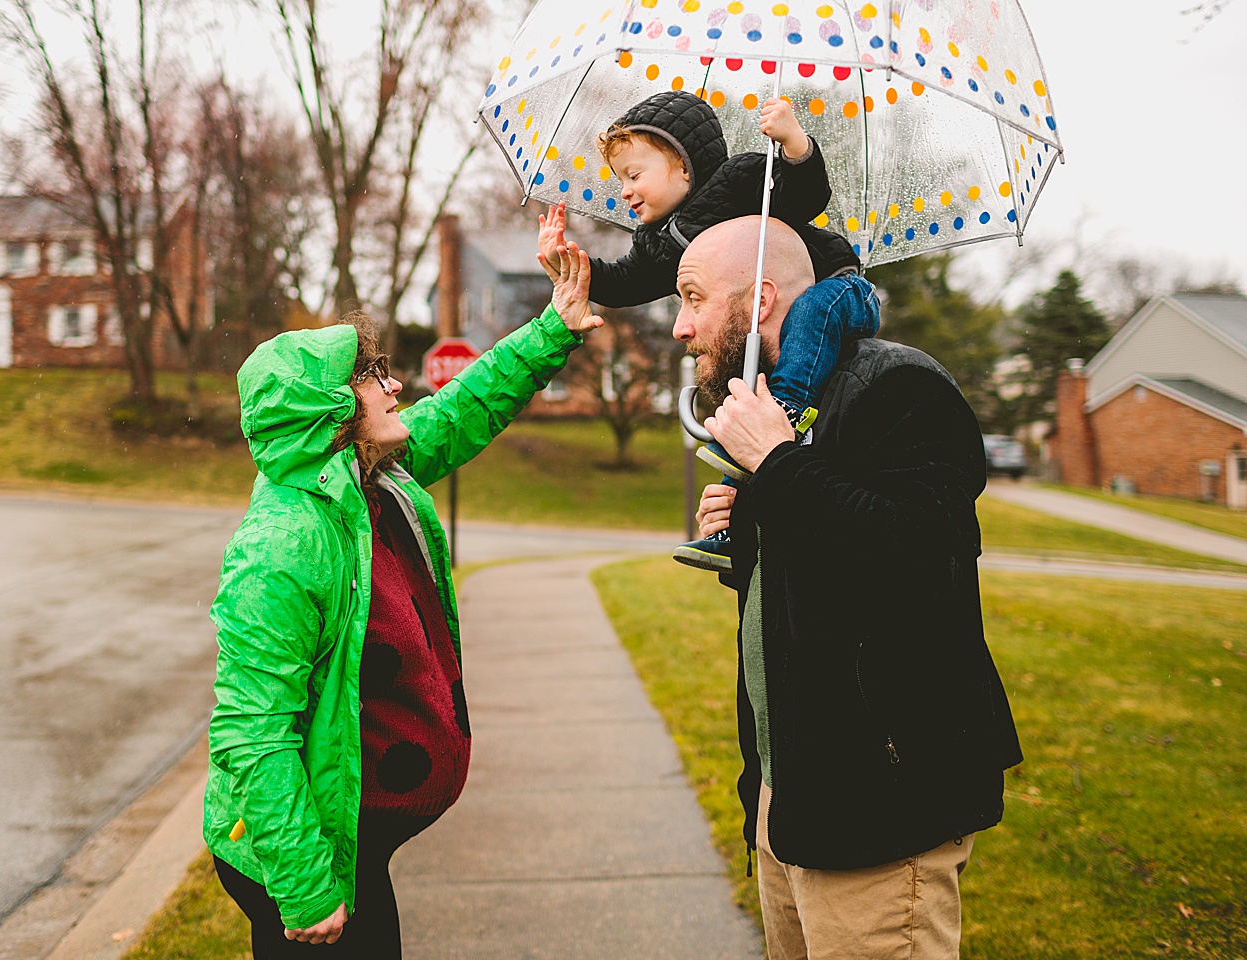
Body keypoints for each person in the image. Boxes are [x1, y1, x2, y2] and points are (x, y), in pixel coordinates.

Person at [203, 246, 603, 958]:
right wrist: (303, 884)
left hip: (351, 830)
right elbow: (252, 731)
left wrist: (552, 330)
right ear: (327, 409)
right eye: (370, 377)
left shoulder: (366, 479)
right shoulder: (283, 546)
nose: (393, 387)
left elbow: (459, 410)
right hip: (304, 849)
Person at [679, 216, 1022, 959]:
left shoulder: (898, 385)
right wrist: (752, 527)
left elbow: (920, 557)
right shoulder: (788, 410)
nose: (680, 326)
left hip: (879, 796)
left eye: (692, 298)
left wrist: (777, 468)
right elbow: (829, 567)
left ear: (760, 298)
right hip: (789, 792)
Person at [536, 89, 880, 573]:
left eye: (635, 175)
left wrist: (795, 145)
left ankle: (782, 415)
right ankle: (728, 529)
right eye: (620, 180)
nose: (626, 191)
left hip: (835, 290)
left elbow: (806, 196)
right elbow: (626, 282)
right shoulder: (659, 241)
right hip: (763, 325)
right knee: (741, 380)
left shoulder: (740, 180)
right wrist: (570, 266)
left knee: (802, 327)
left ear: (682, 166)